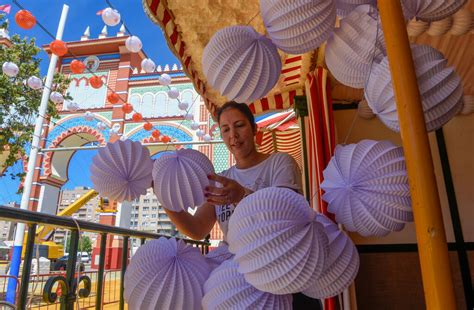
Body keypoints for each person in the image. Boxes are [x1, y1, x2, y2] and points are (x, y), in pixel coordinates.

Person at [164, 101, 322, 309]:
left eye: (240, 125)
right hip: (238, 279)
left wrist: (242, 195)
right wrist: (165, 197)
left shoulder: (280, 163)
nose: (233, 136)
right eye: (226, 129)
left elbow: (289, 217)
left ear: (254, 128)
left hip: (281, 267)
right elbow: (197, 229)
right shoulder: (222, 179)